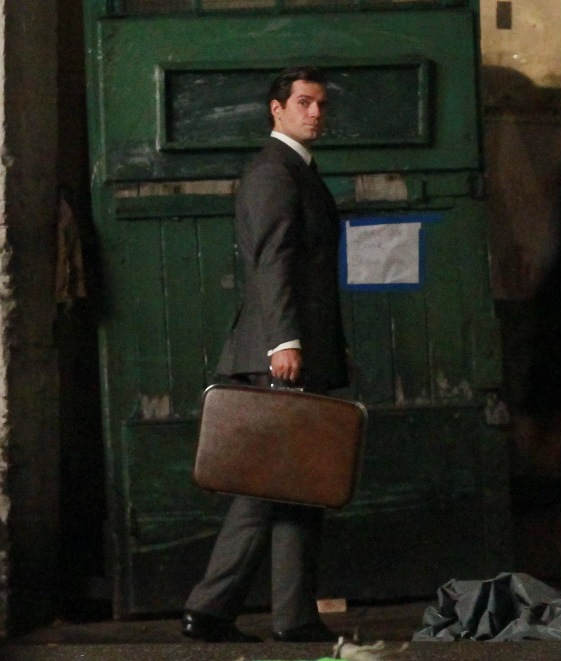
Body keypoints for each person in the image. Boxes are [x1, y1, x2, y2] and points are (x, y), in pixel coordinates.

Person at [181, 66, 349, 643]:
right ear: (276, 110)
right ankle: (211, 609)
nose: (316, 113)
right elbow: (271, 260)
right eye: (304, 103)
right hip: (278, 352)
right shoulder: (274, 172)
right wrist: (285, 342)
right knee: (267, 489)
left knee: (296, 487)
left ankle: (290, 616)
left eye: (321, 104)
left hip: (295, 348)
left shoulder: (296, 169)